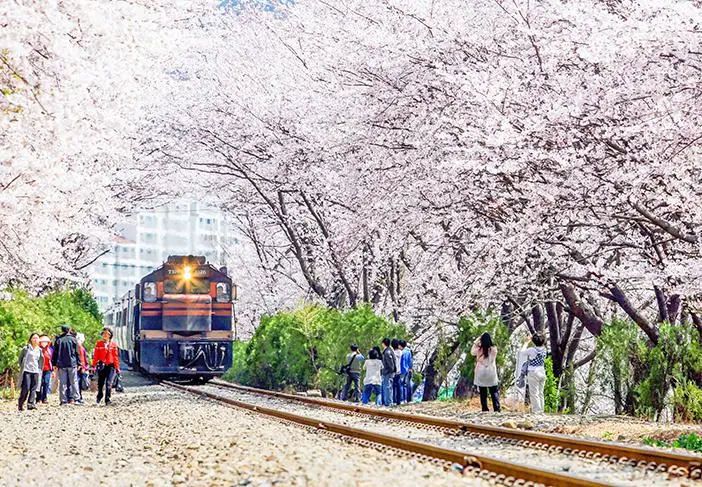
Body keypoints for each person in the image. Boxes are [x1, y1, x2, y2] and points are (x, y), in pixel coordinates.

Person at [471, 332, 501, 412]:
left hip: (480, 373)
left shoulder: (478, 349)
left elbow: (472, 352)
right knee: (494, 391)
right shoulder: (493, 349)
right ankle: (497, 408)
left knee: (483, 392)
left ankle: (485, 409)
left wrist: (476, 341)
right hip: (491, 373)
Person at [52, 324, 80, 405]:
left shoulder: (59, 340)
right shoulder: (73, 339)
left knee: (62, 383)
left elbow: (55, 353)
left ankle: (63, 400)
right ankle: (76, 399)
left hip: (61, 364)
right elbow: (77, 352)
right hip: (72, 363)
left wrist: (54, 363)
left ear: (62, 330)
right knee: (74, 382)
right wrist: (79, 363)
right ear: (69, 330)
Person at [520, 333, 547, 413]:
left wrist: (526, 342)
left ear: (533, 341)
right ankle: (541, 410)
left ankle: (536, 411)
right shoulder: (544, 349)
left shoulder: (532, 350)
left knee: (534, 393)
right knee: (540, 393)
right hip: (542, 371)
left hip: (533, 372)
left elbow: (522, 352)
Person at [92, 327, 120, 405]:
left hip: (111, 366)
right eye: (103, 333)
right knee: (100, 383)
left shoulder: (113, 345)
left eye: (106, 334)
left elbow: (115, 357)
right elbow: (96, 356)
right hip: (102, 365)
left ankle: (107, 399)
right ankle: (99, 395)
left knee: (109, 383)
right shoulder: (99, 344)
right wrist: (93, 366)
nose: (104, 335)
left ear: (110, 335)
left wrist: (117, 368)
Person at [18, 333, 44, 411]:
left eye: (37, 338)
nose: (35, 340)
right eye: (33, 338)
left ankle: (31, 404)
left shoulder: (39, 350)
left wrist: (39, 370)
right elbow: (20, 359)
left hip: (36, 371)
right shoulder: (26, 348)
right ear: (30, 339)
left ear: (39, 340)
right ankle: (21, 403)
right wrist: (22, 367)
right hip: (27, 370)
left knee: (33, 388)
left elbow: (40, 361)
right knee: (26, 388)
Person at [380, 338, 396, 406]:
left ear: (383, 343)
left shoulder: (387, 352)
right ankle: (388, 401)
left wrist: (390, 370)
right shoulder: (390, 350)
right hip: (389, 372)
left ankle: (388, 402)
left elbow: (390, 363)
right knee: (388, 387)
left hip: (387, 372)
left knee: (387, 387)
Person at [38, 335, 54, 404]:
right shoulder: (38, 350)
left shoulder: (50, 350)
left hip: (48, 369)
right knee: (39, 383)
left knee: (46, 383)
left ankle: (44, 398)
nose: (44, 343)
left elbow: (52, 361)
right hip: (39, 369)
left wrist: (53, 370)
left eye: (46, 342)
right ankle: (38, 398)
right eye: (42, 342)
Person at [75, 333, 89, 403]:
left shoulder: (78, 346)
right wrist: (84, 367)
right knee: (78, 382)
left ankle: (78, 396)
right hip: (79, 367)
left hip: (78, 367)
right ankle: (78, 397)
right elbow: (82, 358)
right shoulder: (80, 347)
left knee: (78, 382)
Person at [391, 339, 402, 404]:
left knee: (393, 386)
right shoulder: (400, 352)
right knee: (398, 386)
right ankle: (399, 400)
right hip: (398, 371)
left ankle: (393, 399)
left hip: (393, 371)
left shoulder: (392, 353)